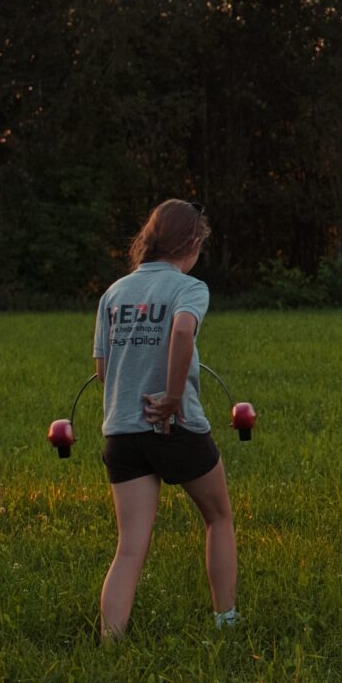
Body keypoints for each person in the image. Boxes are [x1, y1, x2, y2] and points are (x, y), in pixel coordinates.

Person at [92, 199, 237, 638]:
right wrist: (172, 398)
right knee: (218, 517)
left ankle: (110, 639)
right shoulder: (188, 288)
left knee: (130, 546)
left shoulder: (115, 292)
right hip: (175, 427)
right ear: (191, 242)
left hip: (122, 432)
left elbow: (102, 369)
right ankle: (226, 620)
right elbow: (182, 330)